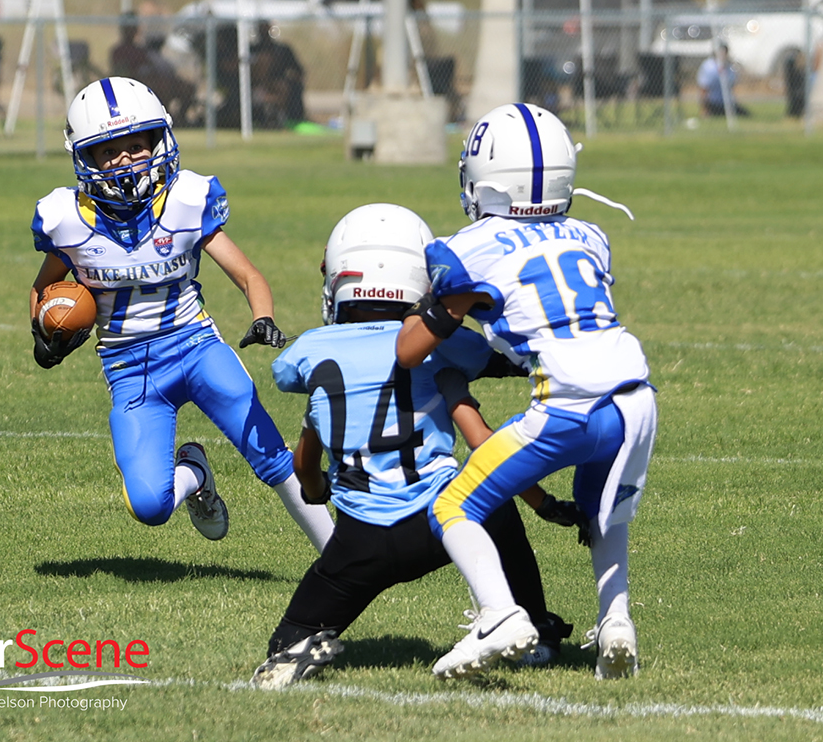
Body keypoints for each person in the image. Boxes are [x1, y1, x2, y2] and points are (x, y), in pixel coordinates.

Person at [250, 203, 586, 689]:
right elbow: (495, 377)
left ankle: (296, 648)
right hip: (439, 520)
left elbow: (306, 454)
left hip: (358, 538)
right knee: (495, 510)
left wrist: (316, 486)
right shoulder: (443, 348)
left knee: (286, 640)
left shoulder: (312, 350)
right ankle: (533, 625)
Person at [395, 103, 658, 680]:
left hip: (567, 403)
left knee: (454, 505)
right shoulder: (590, 234)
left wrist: (431, 311)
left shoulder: (472, 247)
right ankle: (617, 624)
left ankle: (501, 616)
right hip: (637, 399)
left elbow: (410, 351)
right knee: (603, 516)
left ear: (484, 179)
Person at [28, 77, 335, 557]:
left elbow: (249, 275)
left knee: (270, 453)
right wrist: (43, 333)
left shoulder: (187, 201)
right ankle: (194, 473)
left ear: (159, 140)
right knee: (149, 505)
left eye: (136, 144)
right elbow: (44, 287)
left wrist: (263, 317)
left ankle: (338, 556)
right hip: (129, 368)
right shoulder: (67, 217)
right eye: (109, 151)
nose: (126, 159)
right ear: (85, 157)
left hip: (194, 345)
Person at [110, 12, 197, 127]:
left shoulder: (142, 50)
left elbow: (155, 67)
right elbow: (123, 74)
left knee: (187, 87)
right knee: (162, 87)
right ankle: (162, 119)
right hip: (139, 85)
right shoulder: (118, 51)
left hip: (158, 80)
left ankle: (180, 119)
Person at [250, 21, 306, 128]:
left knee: (281, 88)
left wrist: (284, 80)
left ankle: (281, 119)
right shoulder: (252, 49)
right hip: (258, 85)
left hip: (277, 84)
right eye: (261, 29)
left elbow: (299, 71)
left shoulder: (282, 49)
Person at [696, 41, 750, 117]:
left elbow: (731, 87)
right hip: (713, 103)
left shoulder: (730, 67)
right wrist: (705, 109)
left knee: (745, 114)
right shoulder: (709, 67)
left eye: (724, 51)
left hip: (726, 103)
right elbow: (704, 89)